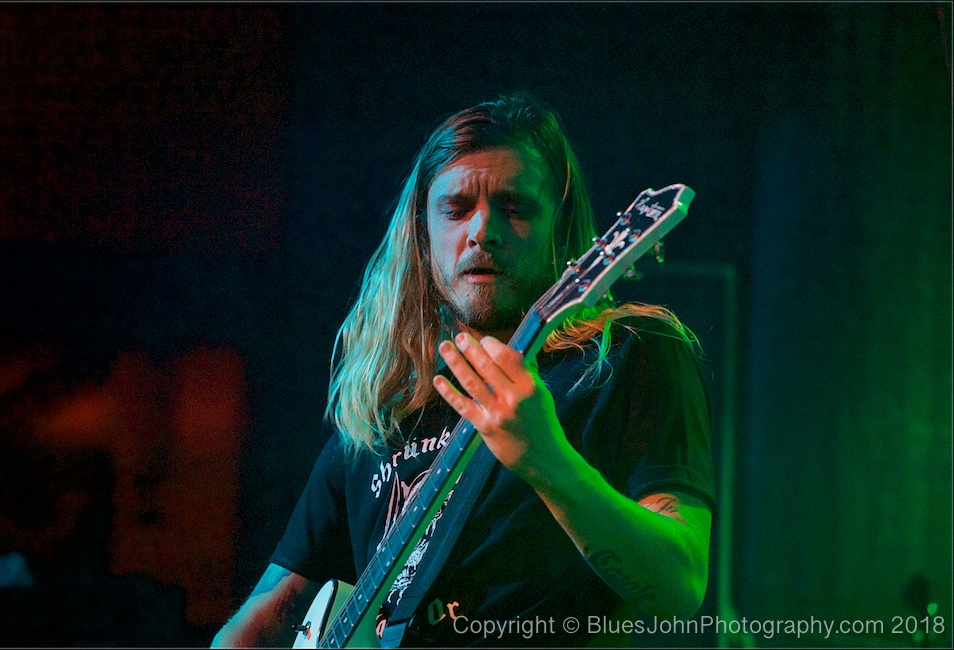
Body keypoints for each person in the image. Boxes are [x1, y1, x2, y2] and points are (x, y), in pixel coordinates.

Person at [212, 93, 715, 648]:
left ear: (560, 229)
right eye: (455, 209)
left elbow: (679, 583)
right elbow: (266, 617)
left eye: (516, 207)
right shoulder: (384, 409)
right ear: (423, 236)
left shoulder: (629, 356)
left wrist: (548, 461)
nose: (483, 231)